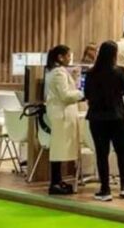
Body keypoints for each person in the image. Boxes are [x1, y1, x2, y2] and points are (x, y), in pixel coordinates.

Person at [84, 41, 124, 202]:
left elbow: (86, 94)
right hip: (118, 117)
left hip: (97, 118)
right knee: (122, 152)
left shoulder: (91, 73)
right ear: (115, 54)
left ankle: (105, 189)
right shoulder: (120, 71)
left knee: (101, 154)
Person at [43, 45, 83, 195]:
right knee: (58, 150)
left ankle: (58, 180)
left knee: (59, 150)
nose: (69, 59)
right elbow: (65, 95)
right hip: (61, 115)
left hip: (59, 114)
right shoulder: (59, 72)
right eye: (68, 56)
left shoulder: (54, 71)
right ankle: (55, 182)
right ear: (60, 57)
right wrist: (82, 94)